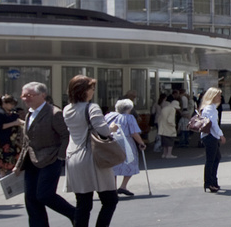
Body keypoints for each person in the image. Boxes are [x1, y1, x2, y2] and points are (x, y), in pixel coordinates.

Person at [19, 81, 79, 227]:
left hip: (50, 159)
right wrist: (18, 164)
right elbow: (27, 142)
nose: (26, 98)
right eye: (24, 96)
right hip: (31, 161)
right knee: (31, 199)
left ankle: (75, 214)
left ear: (42, 95)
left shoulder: (54, 113)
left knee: (44, 195)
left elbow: (66, 136)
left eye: (30, 95)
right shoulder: (29, 114)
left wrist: (60, 156)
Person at [63, 75, 119, 227]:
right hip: (92, 156)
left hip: (74, 155)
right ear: (84, 91)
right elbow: (103, 130)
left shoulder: (67, 109)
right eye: (91, 89)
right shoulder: (91, 107)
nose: (93, 92)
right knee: (110, 200)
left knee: (83, 203)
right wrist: (112, 129)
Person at [103, 100, 145, 198]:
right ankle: (123, 186)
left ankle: (113, 187)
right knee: (131, 161)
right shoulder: (129, 118)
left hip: (111, 143)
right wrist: (141, 143)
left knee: (114, 165)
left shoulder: (109, 116)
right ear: (129, 109)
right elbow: (134, 133)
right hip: (126, 143)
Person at [198, 88, 225, 192]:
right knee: (211, 160)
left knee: (216, 158)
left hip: (211, 136)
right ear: (213, 97)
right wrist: (221, 135)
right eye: (218, 95)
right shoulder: (209, 108)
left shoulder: (212, 108)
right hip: (210, 136)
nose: (220, 97)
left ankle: (213, 181)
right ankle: (209, 183)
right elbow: (213, 123)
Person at [0, 94, 24, 177]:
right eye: (11, 104)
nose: (12, 106)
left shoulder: (13, 112)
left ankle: (15, 175)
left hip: (15, 140)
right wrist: (14, 123)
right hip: (4, 140)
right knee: (4, 158)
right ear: (4, 103)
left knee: (16, 157)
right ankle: (2, 175)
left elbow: (18, 120)